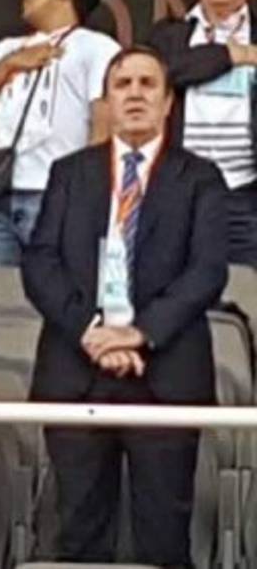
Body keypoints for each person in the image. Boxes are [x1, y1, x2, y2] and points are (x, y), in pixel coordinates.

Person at [22, 47, 227, 565]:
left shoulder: (200, 177)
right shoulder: (69, 172)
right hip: (76, 370)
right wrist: (91, 331)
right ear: (107, 101)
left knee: (163, 538)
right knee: (77, 536)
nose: (134, 93)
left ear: (167, 102)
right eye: (123, 84)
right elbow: (41, 263)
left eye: (147, 84)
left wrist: (138, 333)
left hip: (165, 374)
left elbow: (207, 270)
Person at [0, 0, 120, 267]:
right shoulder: (6, 48)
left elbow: (102, 126)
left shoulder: (97, 47)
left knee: (55, 291)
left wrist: (84, 195)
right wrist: (9, 65)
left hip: (53, 196)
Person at [148, 0, 257, 265]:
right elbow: (162, 74)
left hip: (246, 192)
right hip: (179, 187)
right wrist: (234, 54)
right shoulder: (171, 35)